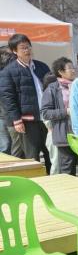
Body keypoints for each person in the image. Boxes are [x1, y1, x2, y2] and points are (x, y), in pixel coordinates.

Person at [0, 34, 51, 170]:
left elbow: (51, 89)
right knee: (32, 155)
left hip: (47, 117)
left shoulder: (42, 66)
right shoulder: (8, 72)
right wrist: (17, 120)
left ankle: (53, 180)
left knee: (50, 151)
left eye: (28, 46)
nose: (27, 50)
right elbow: (8, 98)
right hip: (28, 120)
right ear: (14, 51)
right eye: (23, 48)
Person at [40, 57, 78, 175]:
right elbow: (45, 113)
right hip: (64, 135)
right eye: (69, 68)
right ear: (61, 72)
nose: (73, 70)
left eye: (74, 67)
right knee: (67, 168)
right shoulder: (52, 88)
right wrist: (66, 111)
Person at [0, 46, 15, 154]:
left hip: (14, 115)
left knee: (16, 147)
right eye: (7, 55)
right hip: (2, 117)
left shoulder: (13, 72)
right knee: (5, 146)